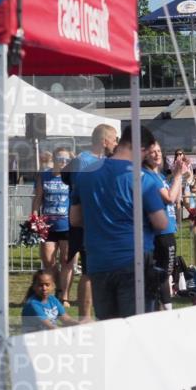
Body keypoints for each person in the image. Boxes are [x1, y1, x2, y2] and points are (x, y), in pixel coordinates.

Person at [70, 125, 169, 320]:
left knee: (109, 329)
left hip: (98, 262)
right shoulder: (141, 178)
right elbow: (161, 223)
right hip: (134, 261)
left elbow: (75, 219)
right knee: (137, 329)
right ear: (140, 148)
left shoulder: (86, 173)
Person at [61, 124, 118, 321]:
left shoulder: (90, 161)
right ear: (104, 141)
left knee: (93, 270)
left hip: (93, 223)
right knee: (89, 271)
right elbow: (82, 193)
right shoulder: (85, 162)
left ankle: (91, 315)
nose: (116, 144)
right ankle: (85, 318)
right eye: (114, 139)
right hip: (86, 224)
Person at [144, 140, 190, 310]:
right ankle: (164, 310)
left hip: (167, 229)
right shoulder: (148, 176)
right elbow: (169, 197)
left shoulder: (161, 177)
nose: (157, 154)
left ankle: (161, 307)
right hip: (159, 233)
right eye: (152, 151)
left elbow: (175, 199)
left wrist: (180, 175)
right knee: (162, 273)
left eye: (159, 151)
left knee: (164, 273)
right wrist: (177, 176)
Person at [32, 146, 72, 298]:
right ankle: (58, 289)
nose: (62, 162)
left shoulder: (72, 177)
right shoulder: (44, 176)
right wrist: (35, 217)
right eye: (59, 159)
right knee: (48, 261)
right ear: (53, 160)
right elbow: (37, 198)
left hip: (68, 225)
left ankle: (64, 295)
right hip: (47, 226)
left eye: (66, 160)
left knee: (66, 261)